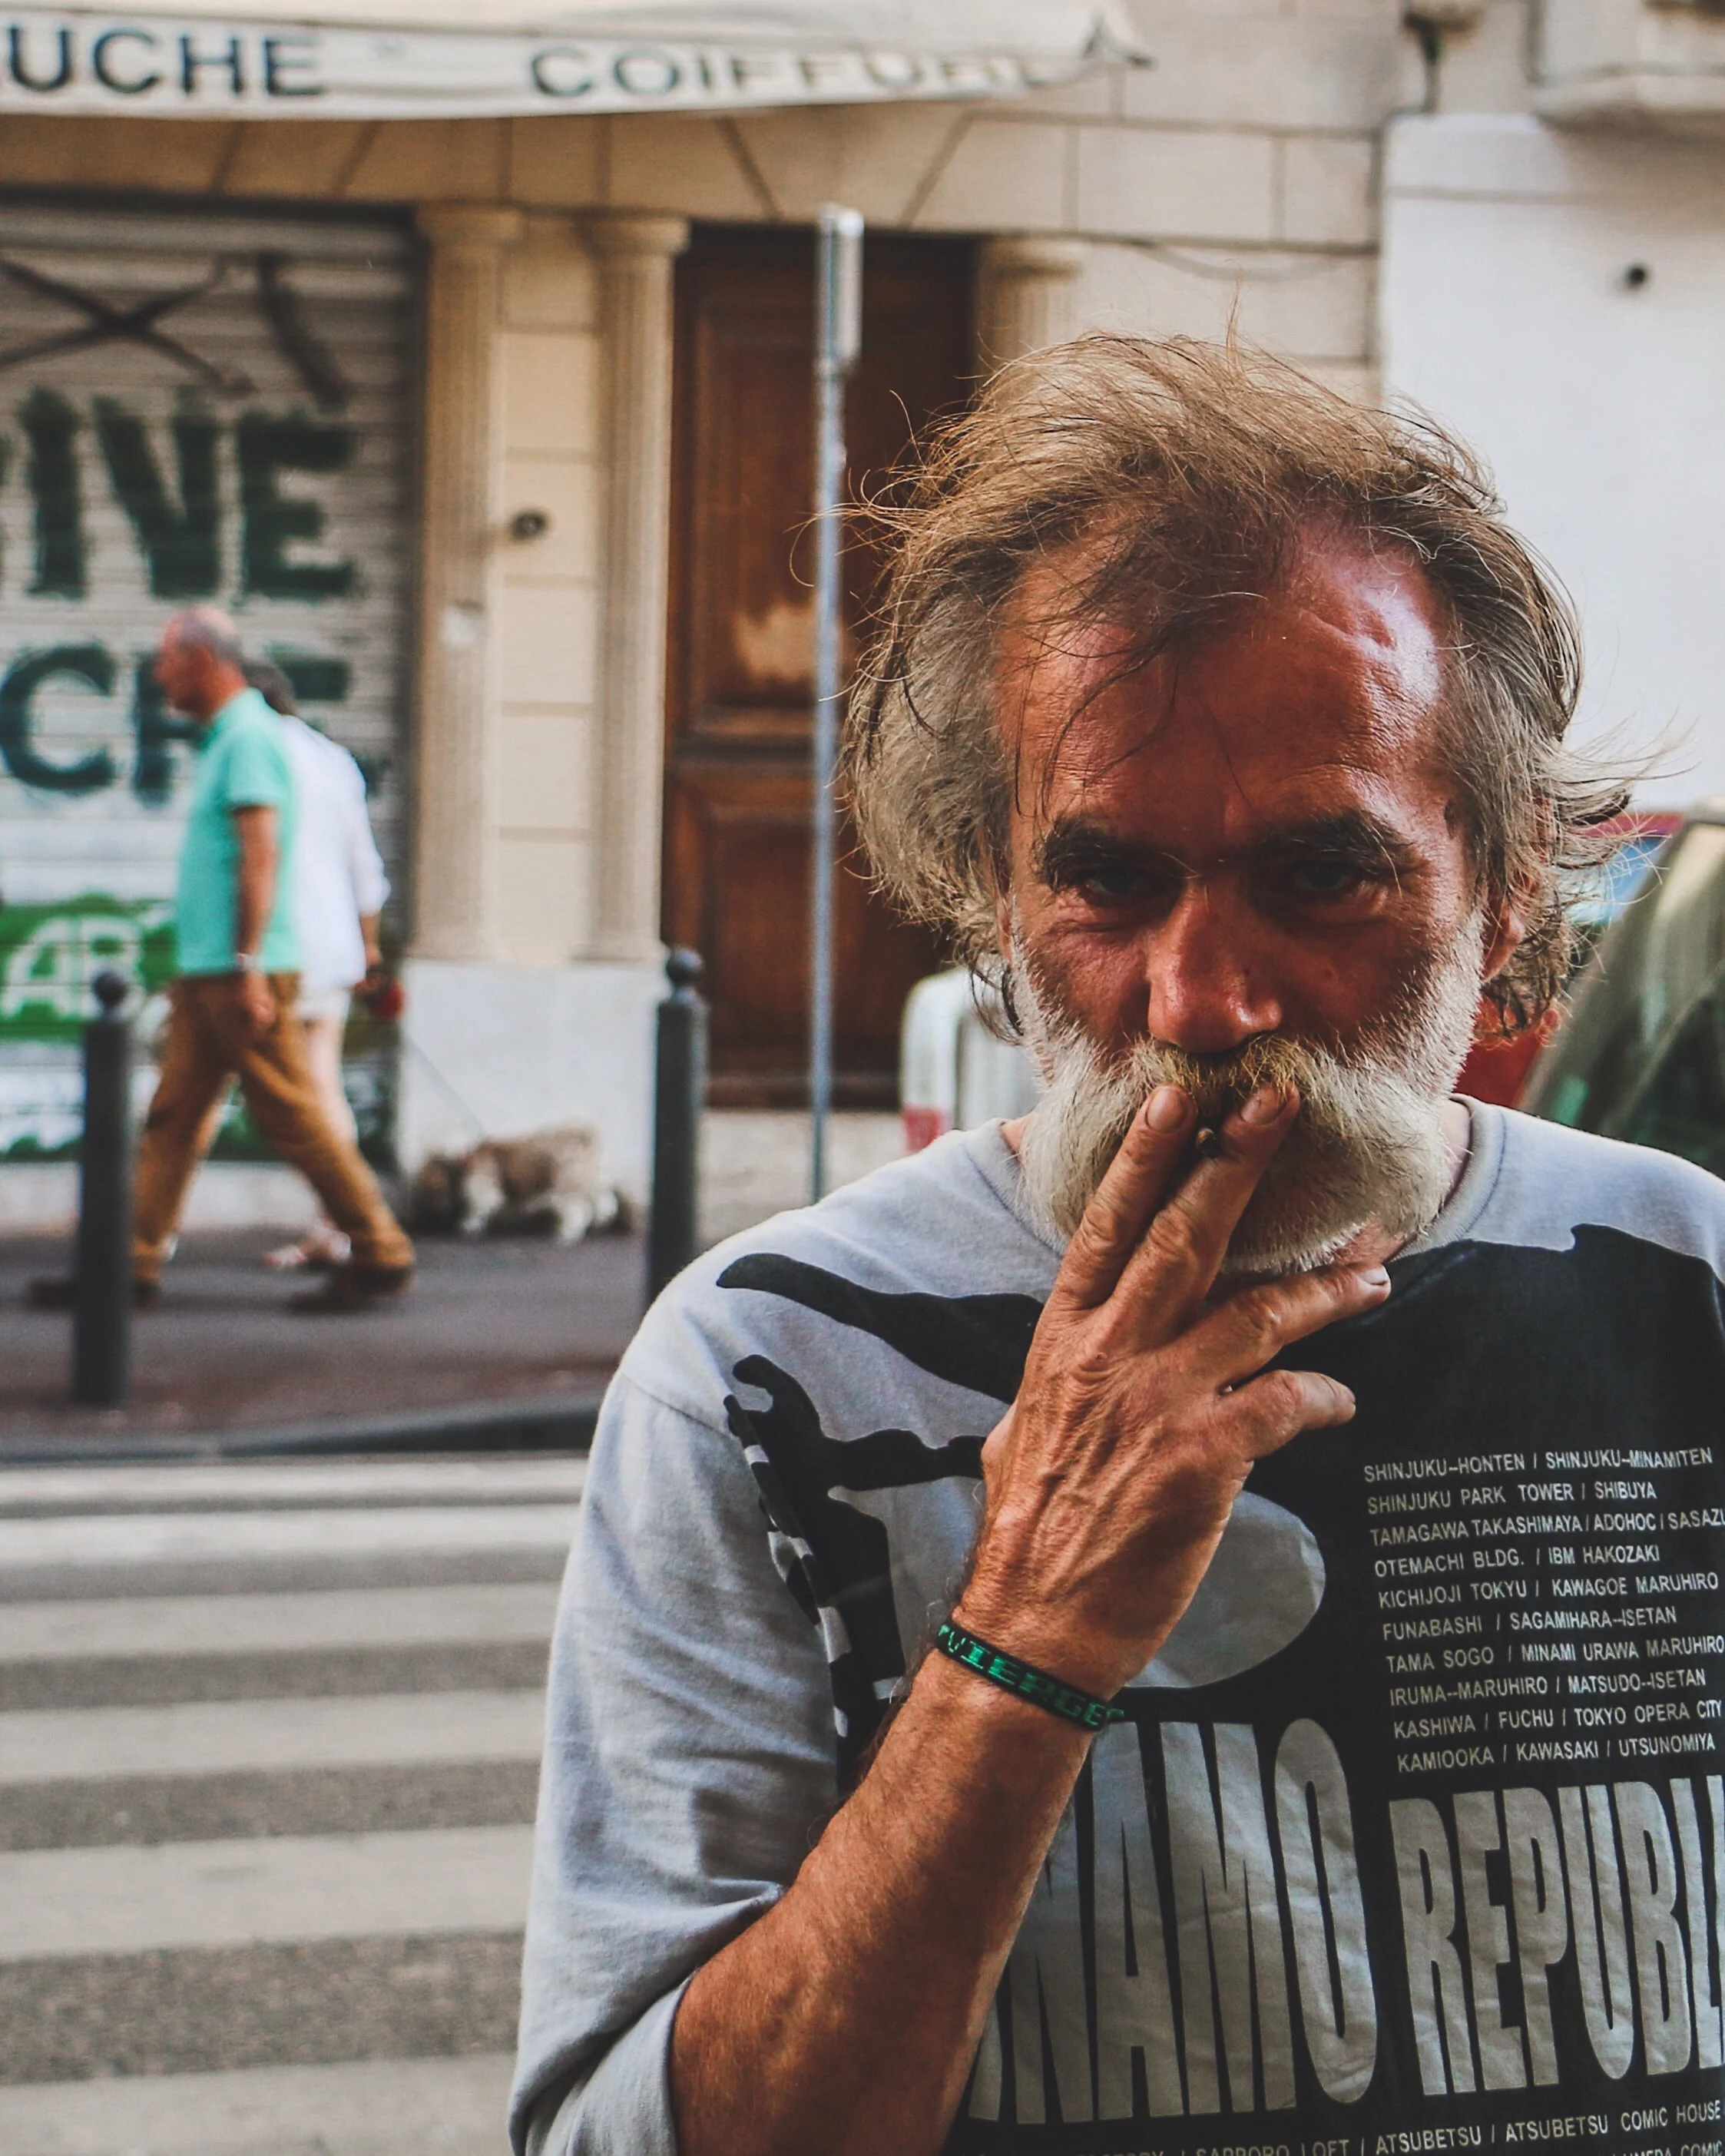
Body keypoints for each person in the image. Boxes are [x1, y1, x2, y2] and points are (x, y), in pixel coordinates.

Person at [512, 339, 1725, 2156]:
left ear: (1500, 886)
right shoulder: (771, 1365)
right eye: (1103, 881)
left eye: (1318, 875)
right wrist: (1018, 1633)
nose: (1198, 997)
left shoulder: (1682, 1288)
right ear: (991, 897)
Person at [31, 608, 414, 1314]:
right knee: (174, 1116)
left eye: (167, 660)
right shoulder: (232, 737)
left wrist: (247, 962)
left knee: (293, 1113)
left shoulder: (247, 738)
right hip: (211, 967)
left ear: (205, 660)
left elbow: (260, 852)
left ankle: (381, 1247)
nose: (158, 675)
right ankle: (128, 1264)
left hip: (242, 969)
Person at [243, 660, 390, 1272]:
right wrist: (370, 947)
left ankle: (353, 1225)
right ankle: (343, 1226)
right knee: (321, 1090)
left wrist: (241, 950)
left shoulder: (253, 753)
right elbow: (365, 867)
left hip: (276, 949)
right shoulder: (332, 759)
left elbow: (251, 856)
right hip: (332, 949)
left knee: (255, 1092)